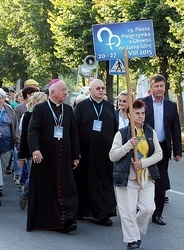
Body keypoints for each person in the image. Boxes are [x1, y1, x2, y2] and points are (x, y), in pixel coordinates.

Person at [27, 80, 80, 232]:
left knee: (68, 188)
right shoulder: (40, 109)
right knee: (47, 189)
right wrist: (35, 150)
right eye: (63, 90)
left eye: (66, 90)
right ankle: (50, 221)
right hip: (45, 156)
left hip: (65, 156)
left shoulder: (68, 110)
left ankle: (68, 219)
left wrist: (76, 155)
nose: (66, 93)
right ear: (53, 93)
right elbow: (33, 131)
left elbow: (74, 134)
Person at [109, 99, 162, 250]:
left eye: (142, 113)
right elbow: (112, 156)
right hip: (127, 177)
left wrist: (143, 163)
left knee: (148, 208)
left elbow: (159, 154)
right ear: (129, 115)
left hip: (147, 176)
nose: (140, 116)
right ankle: (132, 240)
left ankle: (135, 232)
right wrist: (127, 146)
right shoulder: (122, 133)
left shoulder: (150, 132)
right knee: (128, 211)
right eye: (136, 113)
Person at [74, 78, 118, 226]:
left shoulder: (109, 106)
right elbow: (74, 130)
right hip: (86, 151)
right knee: (84, 180)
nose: (101, 90)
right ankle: (81, 210)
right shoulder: (81, 107)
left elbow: (115, 129)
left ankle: (103, 213)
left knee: (104, 182)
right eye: (97, 88)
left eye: (102, 88)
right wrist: (76, 151)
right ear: (91, 90)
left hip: (105, 152)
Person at [141, 74, 182, 225]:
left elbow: (176, 129)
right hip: (144, 148)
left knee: (161, 180)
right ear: (151, 88)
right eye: (156, 86)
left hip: (163, 148)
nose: (159, 89)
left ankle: (157, 213)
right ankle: (143, 208)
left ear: (165, 87)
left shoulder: (171, 105)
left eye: (161, 86)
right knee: (144, 179)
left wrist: (177, 151)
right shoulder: (143, 103)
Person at [17, 92, 47, 209]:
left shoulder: (48, 114)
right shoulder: (28, 116)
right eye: (42, 101)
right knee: (33, 176)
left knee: (44, 176)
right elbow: (24, 136)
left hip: (45, 149)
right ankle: (25, 195)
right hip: (32, 151)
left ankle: (41, 200)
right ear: (35, 102)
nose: (44, 104)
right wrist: (22, 155)